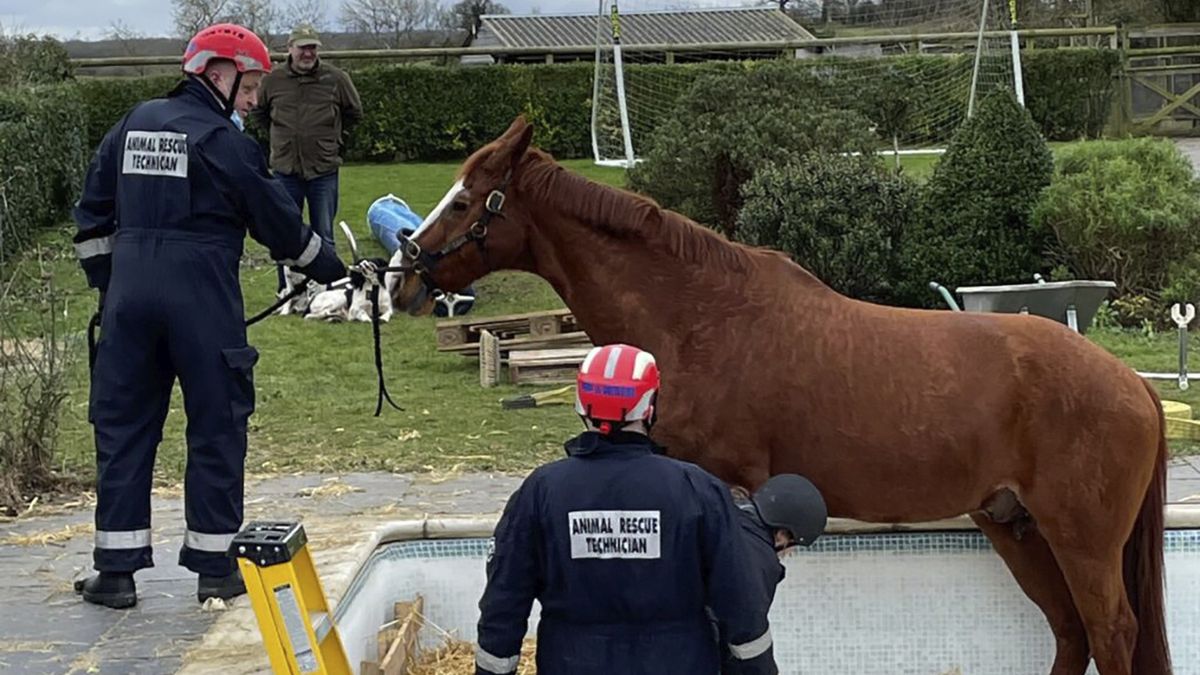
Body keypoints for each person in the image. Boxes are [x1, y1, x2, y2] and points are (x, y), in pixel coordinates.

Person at [70, 22, 347, 610]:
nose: (252, 101)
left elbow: (91, 220)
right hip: (203, 302)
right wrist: (332, 267)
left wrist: (111, 287)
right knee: (217, 430)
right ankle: (217, 571)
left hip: (128, 303)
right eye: (248, 88)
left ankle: (115, 573)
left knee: (121, 431)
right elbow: (278, 224)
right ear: (218, 75)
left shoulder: (131, 123)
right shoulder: (224, 142)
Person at [474, 343, 778, 675]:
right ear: (650, 407)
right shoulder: (698, 490)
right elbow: (741, 603)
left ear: (581, 405)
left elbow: (503, 603)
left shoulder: (541, 491)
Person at [249, 24, 362, 298]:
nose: (308, 53)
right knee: (284, 232)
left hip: (323, 170)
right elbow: (259, 112)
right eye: (303, 48)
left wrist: (336, 142)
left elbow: (354, 113)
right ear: (290, 48)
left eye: (312, 47)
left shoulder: (336, 79)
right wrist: (281, 140)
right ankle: (287, 291)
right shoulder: (273, 80)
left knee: (324, 232)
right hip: (285, 170)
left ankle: (328, 290)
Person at [718, 474, 828, 674]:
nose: (790, 553)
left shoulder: (727, 520)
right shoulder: (757, 558)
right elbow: (749, 636)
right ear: (781, 535)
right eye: (793, 544)